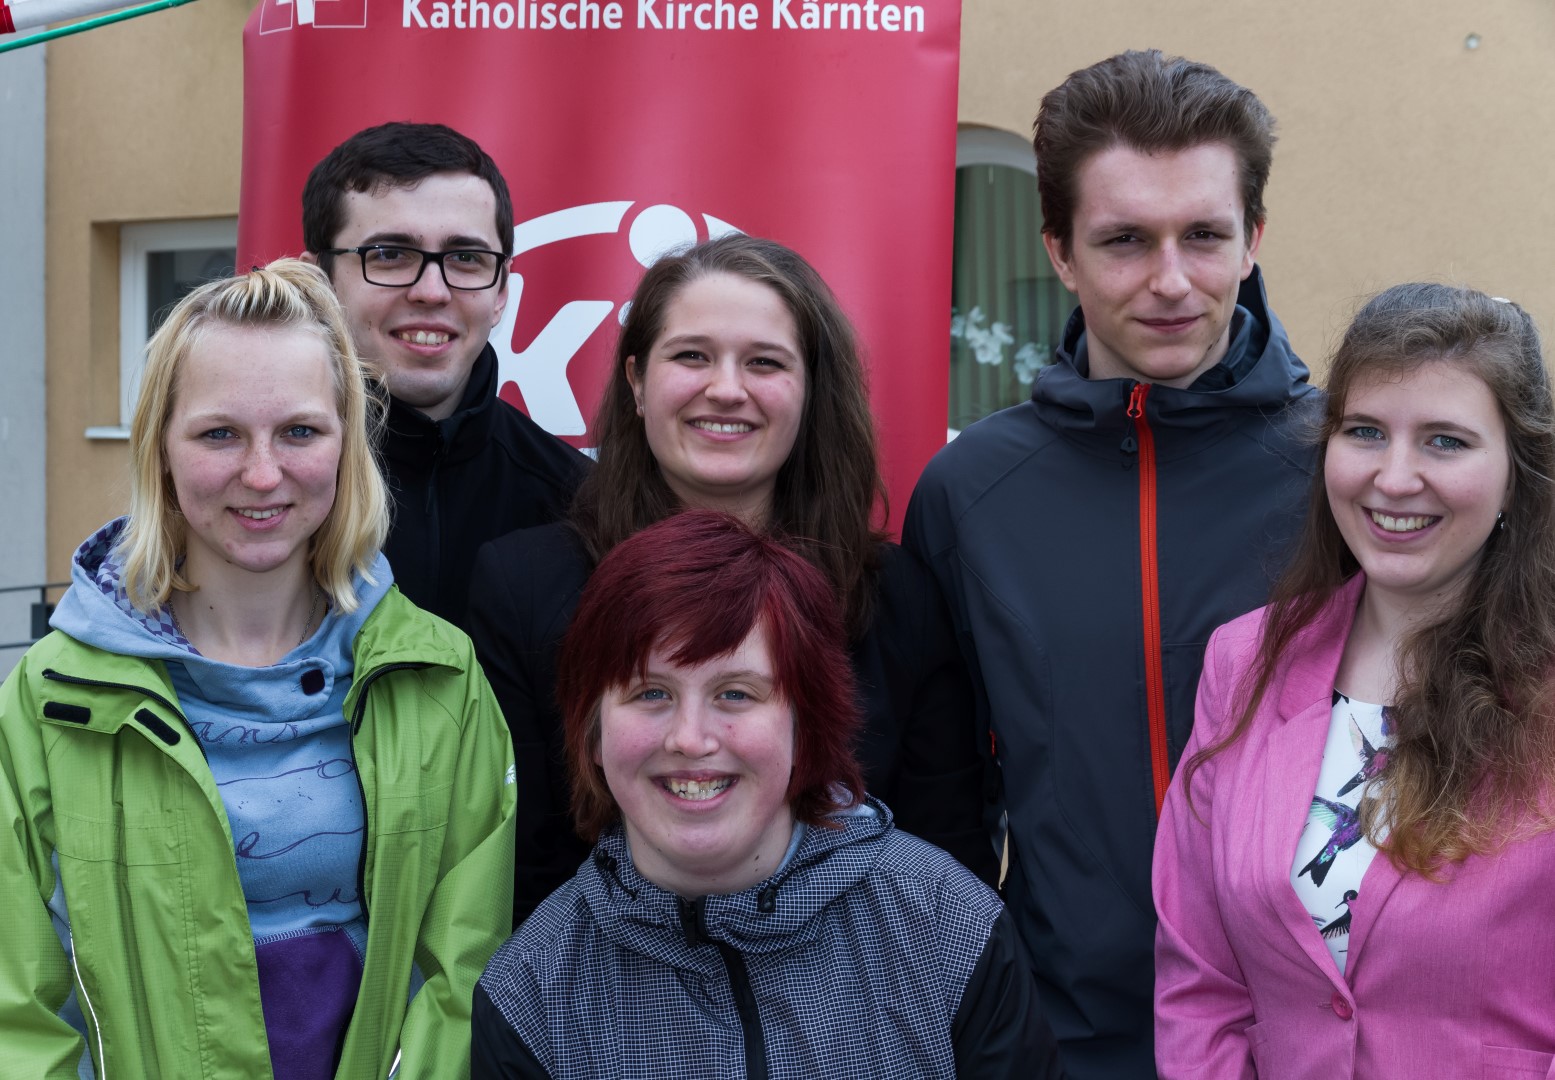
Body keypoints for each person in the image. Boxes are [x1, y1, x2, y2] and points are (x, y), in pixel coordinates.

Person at [903, 49, 1321, 1077]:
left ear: (1253, 238)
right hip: (1059, 1040)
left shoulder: (1346, 475)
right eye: (1124, 240)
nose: (1170, 280)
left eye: (1203, 236)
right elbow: (942, 808)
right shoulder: (969, 494)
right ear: (1059, 251)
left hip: (1312, 1039)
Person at [0, 260, 516, 1079]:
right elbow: (17, 1012)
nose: (264, 473)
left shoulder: (439, 682)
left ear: (346, 445)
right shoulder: (52, 700)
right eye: (220, 434)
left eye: (300, 432)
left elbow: (461, 978)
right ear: (160, 451)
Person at [470, 233, 996, 924]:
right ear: (636, 382)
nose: (725, 389)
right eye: (691, 355)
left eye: (764, 362)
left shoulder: (899, 600)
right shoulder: (525, 587)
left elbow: (948, 870)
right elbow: (520, 874)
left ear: (811, 391)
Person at [472, 510, 1057, 1078]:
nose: (690, 739)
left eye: (736, 693)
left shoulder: (951, 930)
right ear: (592, 732)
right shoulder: (530, 997)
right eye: (651, 693)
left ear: (805, 725)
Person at [1155, 284, 1555, 1077]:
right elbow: (1199, 983)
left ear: (1516, 473)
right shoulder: (1242, 661)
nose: (1394, 477)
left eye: (1444, 441)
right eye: (1365, 431)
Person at [302, 121, 589, 630]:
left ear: (501, 292)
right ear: (318, 281)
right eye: (390, 255)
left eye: (466, 258)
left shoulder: (582, 508)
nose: (432, 292)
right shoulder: (259, 490)